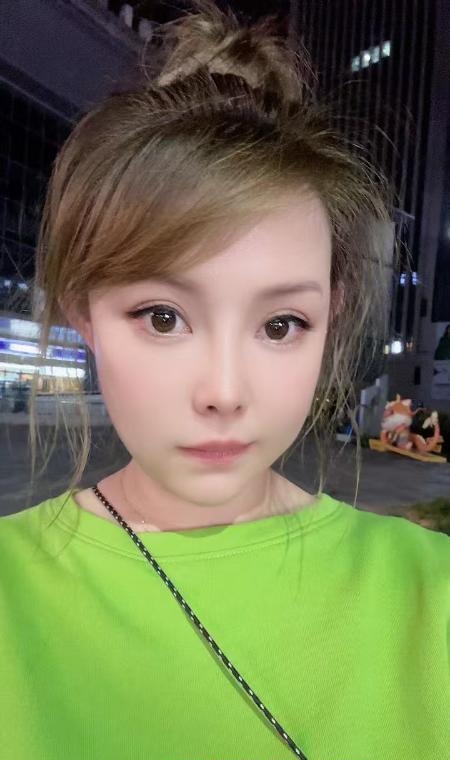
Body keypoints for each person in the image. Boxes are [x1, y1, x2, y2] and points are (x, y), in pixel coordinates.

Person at [0, 3, 449, 759]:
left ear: (332, 317)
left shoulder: (430, 598)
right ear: (82, 311)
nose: (224, 392)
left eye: (281, 325)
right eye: (163, 317)